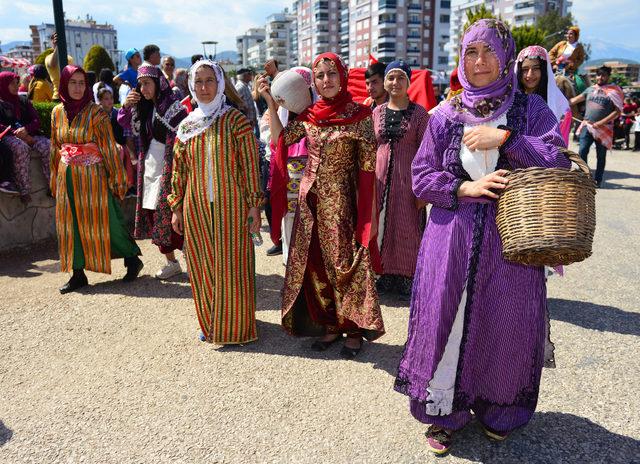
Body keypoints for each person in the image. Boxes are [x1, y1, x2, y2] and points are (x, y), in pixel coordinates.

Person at [394, 19, 570, 455]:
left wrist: (506, 137)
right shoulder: (446, 114)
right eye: (472, 52)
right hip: (450, 238)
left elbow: (559, 160)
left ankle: (499, 409)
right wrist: (461, 188)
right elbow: (420, 177)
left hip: (511, 243)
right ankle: (442, 414)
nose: (480, 62)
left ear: (507, 57)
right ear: (461, 59)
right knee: (444, 321)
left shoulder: (531, 110)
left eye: (489, 52)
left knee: (505, 322)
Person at [259, 52, 385, 359]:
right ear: (313, 82)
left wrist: (370, 216)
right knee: (315, 267)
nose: (326, 80)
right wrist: (270, 103)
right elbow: (280, 141)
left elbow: (370, 170)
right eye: (320, 76)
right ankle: (330, 324)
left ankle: (354, 329)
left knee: (345, 266)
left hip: (343, 206)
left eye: (331, 74)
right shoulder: (311, 116)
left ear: (342, 76)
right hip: (309, 205)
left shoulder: (359, 116)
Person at [169, 59, 263, 344]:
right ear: (191, 86)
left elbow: (249, 165)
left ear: (220, 83)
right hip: (195, 206)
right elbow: (179, 171)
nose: (204, 87)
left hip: (232, 206)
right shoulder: (186, 127)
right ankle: (211, 320)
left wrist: (254, 204)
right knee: (203, 265)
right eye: (198, 82)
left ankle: (237, 325)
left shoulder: (235, 121)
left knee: (233, 264)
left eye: (210, 80)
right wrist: (176, 208)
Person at [50, 65, 143, 293]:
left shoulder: (97, 112)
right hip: (66, 177)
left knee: (107, 220)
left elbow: (109, 148)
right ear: (64, 83)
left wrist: (118, 179)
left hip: (93, 178)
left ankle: (132, 259)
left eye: (82, 83)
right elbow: (55, 147)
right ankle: (78, 274)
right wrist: (54, 178)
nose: (78, 87)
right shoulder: (56, 113)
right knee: (70, 225)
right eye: (73, 82)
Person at [118, 63, 188, 279]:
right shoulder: (145, 108)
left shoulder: (172, 106)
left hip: (170, 167)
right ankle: (172, 262)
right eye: (140, 84)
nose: (143, 88)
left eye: (147, 83)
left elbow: (183, 137)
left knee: (174, 215)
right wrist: (125, 106)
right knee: (155, 215)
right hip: (150, 168)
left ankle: (195, 261)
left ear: (158, 83)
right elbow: (124, 123)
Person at [372, 61, 429, 300]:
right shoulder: (376, 113)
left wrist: (424, 190)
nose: (395, 83)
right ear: (385, 82)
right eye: (391, 78)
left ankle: (406, 278)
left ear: (408, 83)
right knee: (382, 224)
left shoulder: (419, 114)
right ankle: (382, 275)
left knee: (407, 227)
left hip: (409, 182)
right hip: (380, 180)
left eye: (400, 78)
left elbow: (429, 152)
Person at [0, 71, 51, 204]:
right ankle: (24, 191)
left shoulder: (22, 100)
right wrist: (16, 132)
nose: (17, 86)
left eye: (17, 83)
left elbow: (36, 120)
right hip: (10, 136)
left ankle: (53, 185)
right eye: (12, 84)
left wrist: (26, 130)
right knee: (20, 147)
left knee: (47, 145)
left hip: (29, 134)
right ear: (3, 85)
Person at [570, 65, 623, 187]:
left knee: (601, 155)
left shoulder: (614, 91)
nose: (600, 77)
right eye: (598, 75)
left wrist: (601, 122)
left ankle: (598, 180)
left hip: (604, 128)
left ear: (608, 76)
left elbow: (617, 111)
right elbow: (574, 101)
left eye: (603, 75)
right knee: (582, 151)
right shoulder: (590, 89)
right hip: (587, 126)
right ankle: (585, 177)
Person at [516, 45, 572, 144]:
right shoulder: (510, 101)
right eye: (525, 69)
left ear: (544, 70)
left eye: (536, 68)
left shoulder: (561, 107)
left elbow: (560, 149)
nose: (530, 74)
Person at [98, 88, 136, 194]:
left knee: (127, 152)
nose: (110, 101)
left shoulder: (116, 112)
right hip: (104, 144)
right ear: (100, 101)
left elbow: (120, 133)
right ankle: (116, 183)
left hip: (117, 142)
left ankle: (129, 185)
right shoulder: (98, 115)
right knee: (120, 151)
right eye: (106, 99)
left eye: (111, 98)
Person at [45, 33, 75, 101]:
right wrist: (58, 47)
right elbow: (52, 64)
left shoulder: (70, 58)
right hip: (58, 96)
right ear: (52, 41)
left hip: (70, 95)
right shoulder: (48, 58)